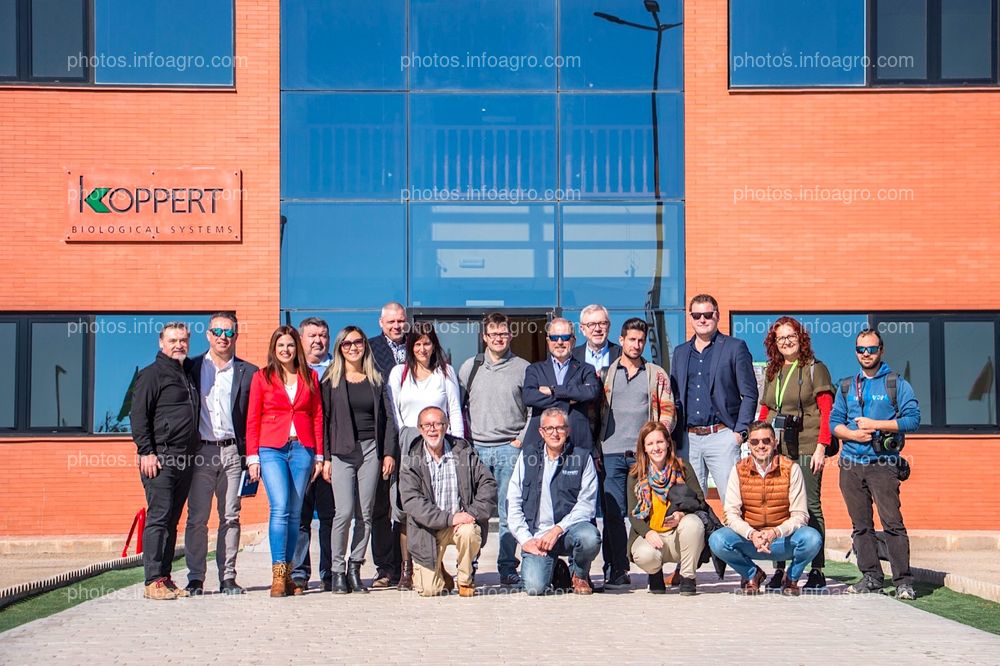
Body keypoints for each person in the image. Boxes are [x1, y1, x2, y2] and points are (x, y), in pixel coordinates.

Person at [831, 329, 920, 600]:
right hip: (849, 464)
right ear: (856, 352)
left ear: (881, 350)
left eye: (871, 349)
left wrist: (876, 425)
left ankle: (903, 581)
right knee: (861, 525)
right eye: (861, 350)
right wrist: (852, 434)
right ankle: (871, 577)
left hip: (883, 463)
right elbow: (835, 422)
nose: (866, 354)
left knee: (892, 523)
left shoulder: (896, 383)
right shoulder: (847, 385)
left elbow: (913, 419)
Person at [597, 317, 676, 590]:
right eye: (631, 339)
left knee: (647, 510)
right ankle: (618, 570)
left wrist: (655, 442)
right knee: (614, 514)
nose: (637, 344)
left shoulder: (656, 374)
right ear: (621, 341)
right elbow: (596, 414)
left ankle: (653, 566)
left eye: (641, 340)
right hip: (610, 453)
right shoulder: (606, 374)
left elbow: (667, 413)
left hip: (643, 456)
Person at [757, 316, 834, 591]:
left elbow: (827, 411)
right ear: (774, 343)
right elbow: (766, 410)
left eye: (791, 336)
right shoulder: (773, 371)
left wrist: (821, 447)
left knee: (810, 506)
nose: (786, 342)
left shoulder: (815, 369)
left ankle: (817, 569)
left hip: (807, 447)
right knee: (780, 508)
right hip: (779, 449)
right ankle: (780, 568)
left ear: (800, 338)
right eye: (781, 338)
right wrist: (759, 443)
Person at [246, 325, 324, 597]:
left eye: (290, 345)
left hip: (302, 449)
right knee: (279, 506)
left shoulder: (310, 376)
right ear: (274, 349)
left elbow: (316, 416)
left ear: (296, 348)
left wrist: (319, 455)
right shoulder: (262, 377)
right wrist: (252, 456)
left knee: (295, 510)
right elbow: (253, 417)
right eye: (281, 346)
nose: (286, 350)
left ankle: (290, 574)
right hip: (271, 449)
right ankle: (277, 575)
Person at [184, 312, 257, 596]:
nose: (222, 337)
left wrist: (252, 456)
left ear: (236, 335)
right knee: (197, 518)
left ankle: (227, 577)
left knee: (231, 517)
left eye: (228, 332)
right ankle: (195, 579)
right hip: (200, 451)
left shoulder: (248, 372)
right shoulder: (190, 368)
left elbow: (253, 418)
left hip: (232, 453)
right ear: (208, 334)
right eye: (217, 331)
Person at [387, 321, 464, 590]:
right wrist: (399, 446)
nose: (422, 348)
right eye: (417, 343)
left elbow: (454, 410)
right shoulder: (399, 373)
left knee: (435, 502)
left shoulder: (446, 372)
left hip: (440, 441)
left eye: (427, 343)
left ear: (434, 345)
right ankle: (407, 569)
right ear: (411, 346)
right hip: (408, 442)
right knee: (408, 507)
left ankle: (439, 563)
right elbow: (394, 413)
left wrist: (459, 445)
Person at [321, 326, 398, 594]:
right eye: (347, 344)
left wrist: (388, 452)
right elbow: (325, 422)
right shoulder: (330, 380)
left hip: (370, 451)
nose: (353, 347)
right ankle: (337, 570)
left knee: (365, 513)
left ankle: (355, 566)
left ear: (365, 345)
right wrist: (327, 457)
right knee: (342, 513)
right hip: (342, 452)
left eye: (358, 342)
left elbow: (389, 419)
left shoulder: (376, 379)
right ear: (340, 348)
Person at [708, 421, 822, 596]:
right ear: (748, 444)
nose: (760, 446)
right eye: (755, 442)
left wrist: (775, 532)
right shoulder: (738, 470)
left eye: (766, 441)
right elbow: (730, 514)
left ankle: (791, 578)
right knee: (717, 540)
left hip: (782, 541)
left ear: (775, 442)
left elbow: (800, 515)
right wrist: (752, 534)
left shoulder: (792, 469)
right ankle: (752, 574)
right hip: (751, 541)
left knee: (812, 538)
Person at [458, 312, 530, 587]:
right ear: (484, 337)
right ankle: (471, 565)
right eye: (493, 334)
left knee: (510, 509)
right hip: (477, 450)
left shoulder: (523, 368)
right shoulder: (470, 367)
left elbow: (533, 409)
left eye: (503, 333)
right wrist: (465, 444)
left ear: (510, 335)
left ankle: (507, 567)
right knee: (476, 511)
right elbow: (457, 406)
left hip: (510, 449)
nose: (498, 338)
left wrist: (521, 439)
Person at [131, 322, 200, 600]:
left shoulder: (187, 373)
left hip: (185, 459)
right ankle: (152, 581)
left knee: (172, 520)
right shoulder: (151, 374)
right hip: (160, 458)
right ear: (161, 343)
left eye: (183, 340)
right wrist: (146, 451)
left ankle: (165, 578)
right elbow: (138, 416)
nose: (178, 345)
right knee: (158, 518)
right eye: (173, 340)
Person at [398, 406, 496, 598]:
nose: (432, 429)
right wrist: (450, 518)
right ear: (419, 428)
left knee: (469, 531)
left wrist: (472, 514)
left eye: (438, 424)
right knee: (430, 591)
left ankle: (465, 580)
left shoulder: (464, 452)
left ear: (446, 426)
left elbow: (488, 484)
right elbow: (413, 503)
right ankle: (440, 572)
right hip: (427, 530)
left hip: (461, 524)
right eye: (427, 425)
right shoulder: (411, 460)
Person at [670, 293, 758, 502]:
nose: (702, 319)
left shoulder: (735, 347)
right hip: (688, 439)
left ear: (717, 316)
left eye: (708, 314)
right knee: (691, 503)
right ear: (690, 318)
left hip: (722, 436)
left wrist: (739, 432)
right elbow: (675, 397)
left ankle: (738, 536)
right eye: (697, 315)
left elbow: (750, 393)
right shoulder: (680, 352)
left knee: (733, 502)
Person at [507, 408, 602, 595]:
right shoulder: (527, 457)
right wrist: (526, 539)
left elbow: (587, 505)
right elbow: (513, 500)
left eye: (560, 428)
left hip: (568, 532)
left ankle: (579, 574)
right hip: (538, 536)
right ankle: (557, 570)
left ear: (568, 431)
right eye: (549, 428)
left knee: (590, 538)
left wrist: (558, 529)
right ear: (541, 432)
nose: (555, 433)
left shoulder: (582, 458)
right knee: (535, 588)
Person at [626, 421, 706, 595]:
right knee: (643, 554)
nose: (656, 448)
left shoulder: (683, 467)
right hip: (653, 537)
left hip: (678, 536)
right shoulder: (635, 475)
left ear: (668, 443)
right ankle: (655, 574)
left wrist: (682, 514)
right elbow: (633, 514)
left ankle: (687, 577)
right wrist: (647, 532)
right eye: (650, 444)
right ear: (644, 448)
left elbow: (700, 500)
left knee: (693, 523)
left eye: (660, 442)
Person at [290, 317, 336, 593]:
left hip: (332, 453)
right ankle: (298, 573)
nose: (318, 340)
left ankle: (330, 572)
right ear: (301, 338)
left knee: (330, 516)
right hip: (300, 453)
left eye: (322, 335)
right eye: (312, 335)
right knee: (300, 515)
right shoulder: (291, 371)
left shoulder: (337, 368)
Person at [367, 302, 409, 588]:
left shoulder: (418, 346)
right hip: (381, 436)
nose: (396, 326)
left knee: (409, 503)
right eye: (391, 321)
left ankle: (411, 564)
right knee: (381, 504)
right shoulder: (368, 349)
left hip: (414, 437)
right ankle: (385, 568)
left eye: (400, 321)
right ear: (381, 323)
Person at [522, 318, 601, 453]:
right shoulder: (534, 369)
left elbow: (591, 392)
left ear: (573, 340)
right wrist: (569, 400)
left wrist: (554, 390)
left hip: (577, 442)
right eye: (554, 337)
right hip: (539, 444)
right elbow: (529, 397)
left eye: (565, 337)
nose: (559, 342)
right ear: (548, 341)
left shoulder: (586, 369)